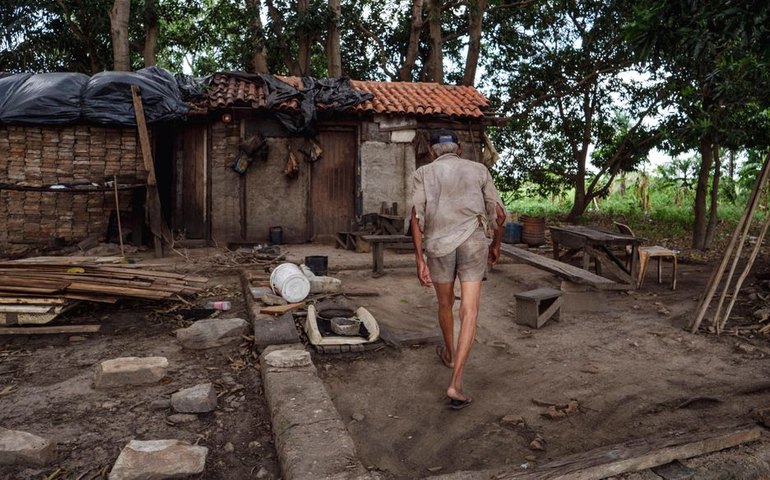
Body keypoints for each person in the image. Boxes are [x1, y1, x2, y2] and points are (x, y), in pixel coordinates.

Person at [410, 129, 506, 410]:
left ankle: (450, 353)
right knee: (470, 310)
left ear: (431, 152)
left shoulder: (424, 173)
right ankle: (456, 382)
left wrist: (419, 259)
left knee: (445, 303)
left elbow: (416, 218)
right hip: (474, 243)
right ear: (459, 149)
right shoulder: (478, 170)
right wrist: (496, 245)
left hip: (437, 246)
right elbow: (499, 214)